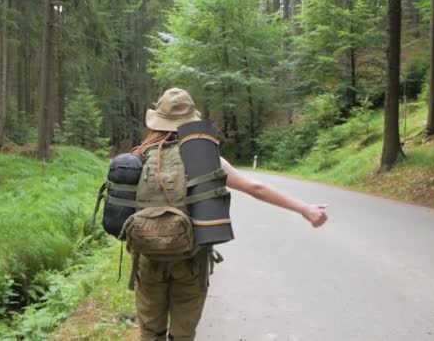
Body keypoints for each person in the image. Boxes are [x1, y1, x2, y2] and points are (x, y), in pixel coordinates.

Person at [130, 88, 328, 341]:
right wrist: (304, 209)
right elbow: (256, 188)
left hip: (148, 259)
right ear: (192, 122)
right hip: (191, 259)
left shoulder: (138, 157)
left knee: (150, 333)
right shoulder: (207, 159)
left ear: (156, 121)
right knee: (182, 335)